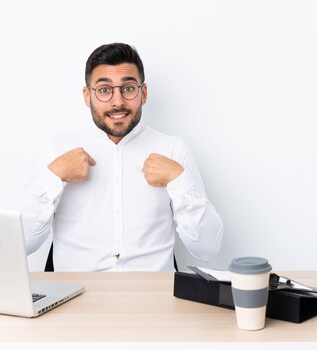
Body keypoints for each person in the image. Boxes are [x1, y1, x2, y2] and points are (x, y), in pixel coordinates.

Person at [20, 43, 223, 272]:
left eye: (128, 88)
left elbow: (208, 249)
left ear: (143, 93)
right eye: (105, 90)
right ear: (88, 96)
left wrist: (179, 181)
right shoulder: (55, 150)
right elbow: (24, 244)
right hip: (75, 297)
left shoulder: (173, 149)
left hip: (156, 299)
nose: (117, 102)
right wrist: (52, 178)